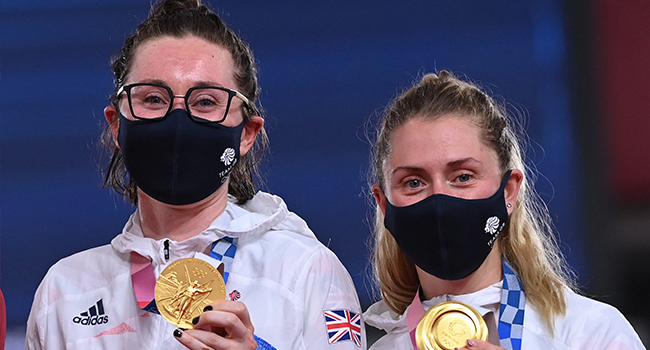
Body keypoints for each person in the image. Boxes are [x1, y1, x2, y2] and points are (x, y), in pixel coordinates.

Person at [25, 1, 365, 349]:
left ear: (247, 133)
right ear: (117, 126)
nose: (178, 121)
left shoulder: (305, 271)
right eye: (154, 98)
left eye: (205, 102)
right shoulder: (65, 292)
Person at [363, 71, 645, 349]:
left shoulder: (590, 334)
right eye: (413, 182)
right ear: (384, 203)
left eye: (463, 177)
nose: (439, 200)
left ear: (509, 190)